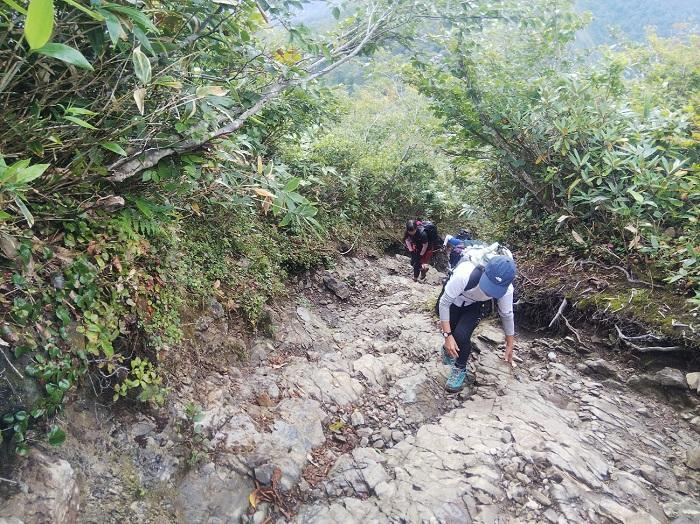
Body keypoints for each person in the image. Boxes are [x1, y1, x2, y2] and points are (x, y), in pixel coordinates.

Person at [437, 254, 516, 392]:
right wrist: (447, 336)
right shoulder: (464, 275)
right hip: (453, 302)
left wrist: (510, 343)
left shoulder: (507, 290)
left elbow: (507, 315)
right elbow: (444, 303)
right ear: (484, 270)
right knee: (451, 331)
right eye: (489, 284)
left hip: (475, 305)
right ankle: (448, 349)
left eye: (495, 289)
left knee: (461, 335)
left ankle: (460, 368)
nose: (489, 291)